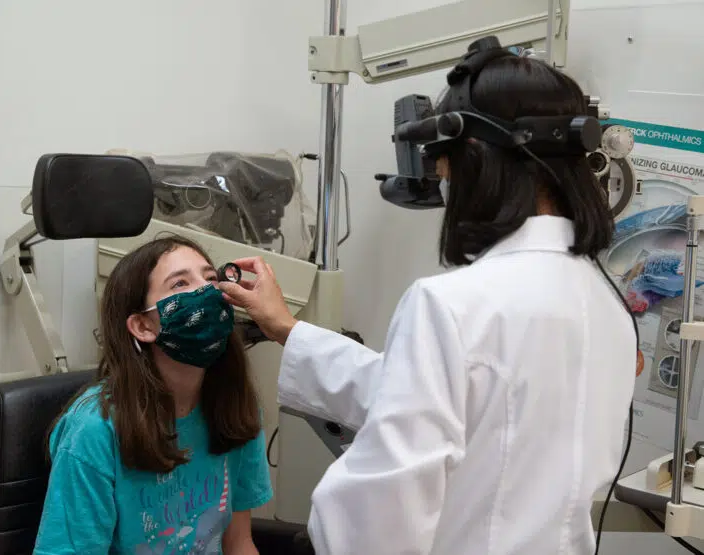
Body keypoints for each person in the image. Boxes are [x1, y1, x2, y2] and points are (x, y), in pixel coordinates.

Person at [218, 50, 637, 554]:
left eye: (444, 167)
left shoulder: (453, 305)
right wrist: (287, 328)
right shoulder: (606, 305)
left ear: (475, 159)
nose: (442, 182)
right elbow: (452, 402)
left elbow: (377, 518)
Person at [34, 236, 273, 555]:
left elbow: (238, 542)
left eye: (210, 278)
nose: (206, 290)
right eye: (180, 284)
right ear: (143, 326)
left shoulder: (235, 408)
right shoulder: (94, 431)